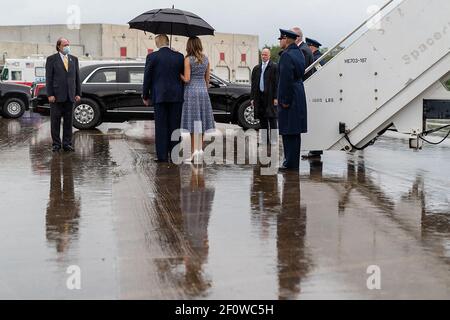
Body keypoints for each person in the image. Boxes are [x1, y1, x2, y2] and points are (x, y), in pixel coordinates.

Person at [143, 34, 185, 163]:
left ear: (157, 44)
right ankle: (175, 155)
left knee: (161, 126)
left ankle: (162, 157)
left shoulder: (152, 57)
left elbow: (147, 77)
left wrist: (145, 95)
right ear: (168, 42)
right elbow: (182, 76)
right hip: (176, 96)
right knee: (175, 126)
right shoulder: (179, 56)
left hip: (159, 96)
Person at [180, 36, 216, 164]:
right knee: (201, 122)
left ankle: (194, 154)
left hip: (191, 92)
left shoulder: (188, 59)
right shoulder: (206, 59)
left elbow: (187, 79)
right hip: (203, 92)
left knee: (192, 124)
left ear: (189, 46)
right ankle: (199, 151)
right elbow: (207, 81)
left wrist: (179, 74)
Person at [277, 29, 308, 171]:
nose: (279, 42)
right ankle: (292, 162)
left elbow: (285, 80)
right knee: (294, 132)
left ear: (286, 39)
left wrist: (285, 100)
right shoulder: (299, 52)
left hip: (291, 96)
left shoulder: (286, 55)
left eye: (280, 39)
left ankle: (289, 163)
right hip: (298, 93)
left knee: (288, 131)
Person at [45, 38, 81, 152]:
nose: (67, 47)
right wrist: (50, 94)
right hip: (56, 96)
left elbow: (77, 78)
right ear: (59, 46)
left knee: (68, 122)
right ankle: (56, 144)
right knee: (55, 121)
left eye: (68, 45)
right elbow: (49, 79)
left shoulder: (74, 59)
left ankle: (67, 143)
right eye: (65, 45)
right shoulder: (51, 59)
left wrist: (78, 93)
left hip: (70, 96)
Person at [251, 48, 279, 146]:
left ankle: (274, 140)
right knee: (262, 119)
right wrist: (252, 98)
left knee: (272, 119)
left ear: (269, 56)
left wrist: (276, 97)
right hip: (260, 97)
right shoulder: (256, 68)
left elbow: (277, 83)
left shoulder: (274, 67)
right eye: (262, 54)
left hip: (271, 97)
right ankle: (264, 140)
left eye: (265, 55)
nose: (263, 56)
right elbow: (253, 85)